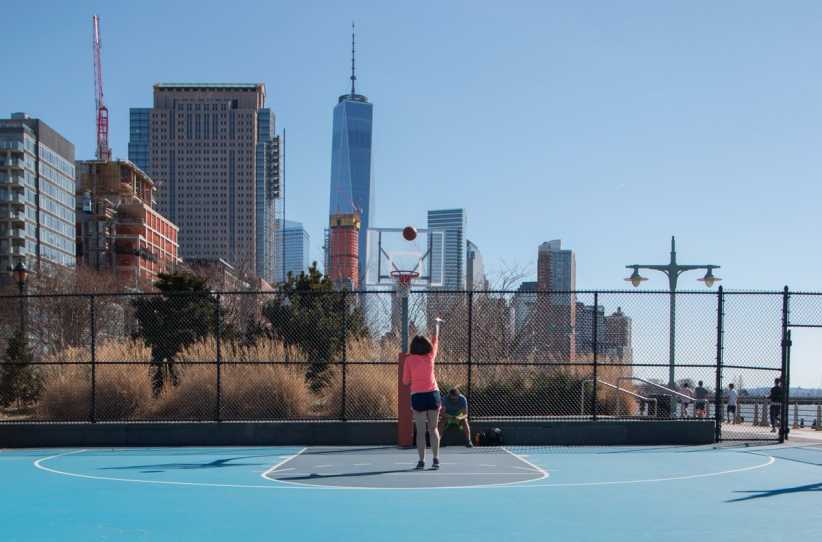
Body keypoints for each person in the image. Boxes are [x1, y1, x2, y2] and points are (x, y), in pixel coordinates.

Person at [401, 319, 443, 470]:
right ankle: (436, 459)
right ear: (427, 346)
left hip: (418, 397)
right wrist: (437, 324)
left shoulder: (409, 360)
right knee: (433, 429)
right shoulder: (430, 356)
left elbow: (405, 381)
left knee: (420, 431)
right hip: (433, 395)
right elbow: (435, 339)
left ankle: (421, 461)